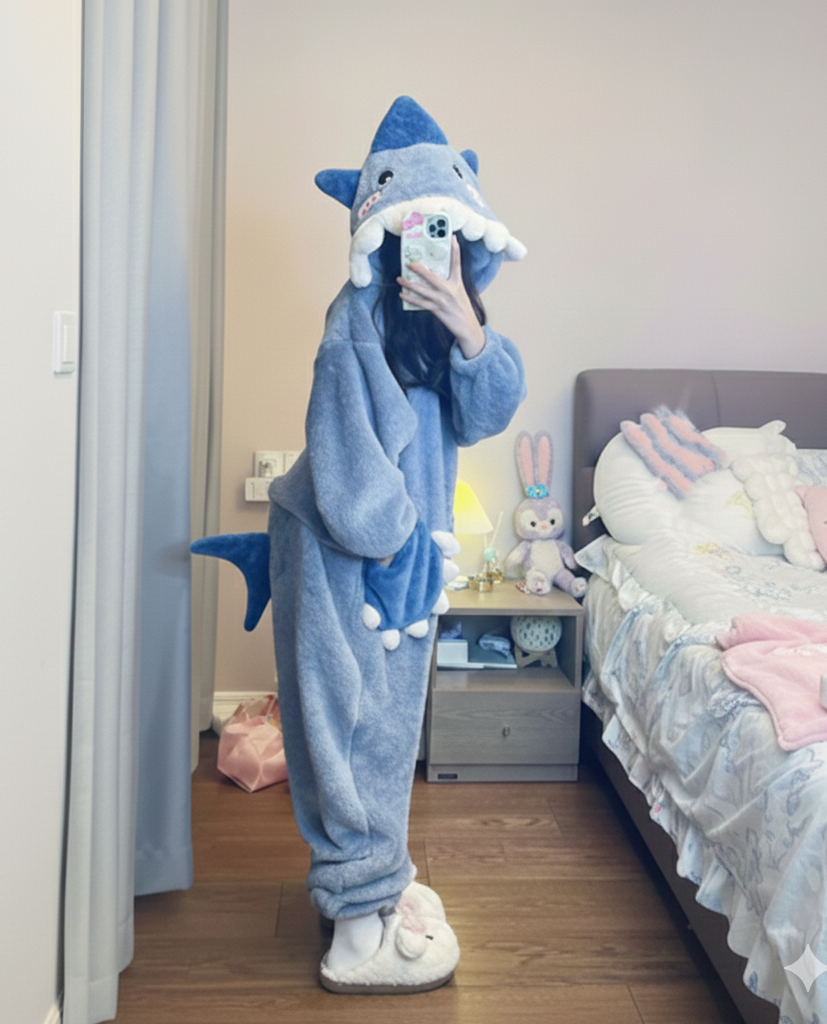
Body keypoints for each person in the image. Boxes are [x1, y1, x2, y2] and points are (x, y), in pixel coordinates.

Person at [264, 96, 527, 993]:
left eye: (443, 234)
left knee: (386, 733)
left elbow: (487, 413)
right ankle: (352, 923)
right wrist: (399, 547)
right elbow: (348, 476)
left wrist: (464, 320)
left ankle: (373, 891)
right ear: (380, 233)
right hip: (342, 552)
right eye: (411, 233)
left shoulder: (443, 321)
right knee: (341, 732)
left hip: (404, 562)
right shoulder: (354, 322)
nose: (426, 251)